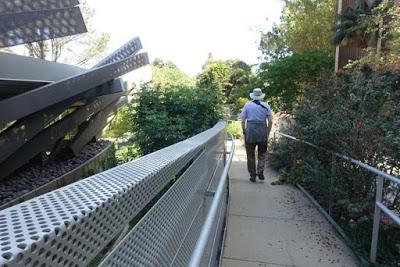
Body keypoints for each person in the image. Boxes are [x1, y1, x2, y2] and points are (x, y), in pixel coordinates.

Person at [240, 88, 273, 182]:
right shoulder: (266, 106)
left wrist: (244, 131)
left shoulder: (247, 106)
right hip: (262, 131)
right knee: (262, 153)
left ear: (253, 96)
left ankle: (252, 175)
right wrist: (268, 132)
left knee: (250, 154)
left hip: (250, 131)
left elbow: (243, 121)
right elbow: (270, 121)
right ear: (261, 96)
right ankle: (260, 171)